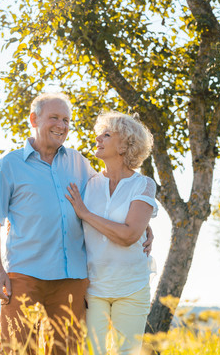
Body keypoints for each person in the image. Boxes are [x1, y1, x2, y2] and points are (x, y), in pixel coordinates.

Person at [0, 93, 152, 354]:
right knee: (17, 349)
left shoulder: (79, 163)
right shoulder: (9, 165)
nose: (61, 125)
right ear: (33, 119)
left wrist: (143, 225)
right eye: (54, 118)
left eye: (66, 120)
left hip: (72, 279)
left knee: (67, 351)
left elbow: (114, 196)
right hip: (25, 275)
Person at [65, 111, 157, 355]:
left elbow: (129, 236)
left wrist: (86, 214)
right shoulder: (89, 184)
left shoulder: (143, 185)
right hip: (94, 288)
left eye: (107, 135)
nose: (98, 138)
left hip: (132, 287)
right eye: (99, 134)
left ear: (125, 144)